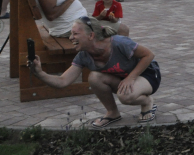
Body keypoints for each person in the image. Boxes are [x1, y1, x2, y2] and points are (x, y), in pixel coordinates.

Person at [28, 16, 160, 128]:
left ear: (91, 35)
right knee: (94, 77)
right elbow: (63, 81)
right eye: (71, 34)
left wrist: (131, 78)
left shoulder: (118, 43)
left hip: (147, 73)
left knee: (125, 96)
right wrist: (40, 73)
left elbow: (149, 55)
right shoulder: (83, 55)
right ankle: (112, 113)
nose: (70, 38)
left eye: (75, 34)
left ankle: (147, 103)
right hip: (124, 77)